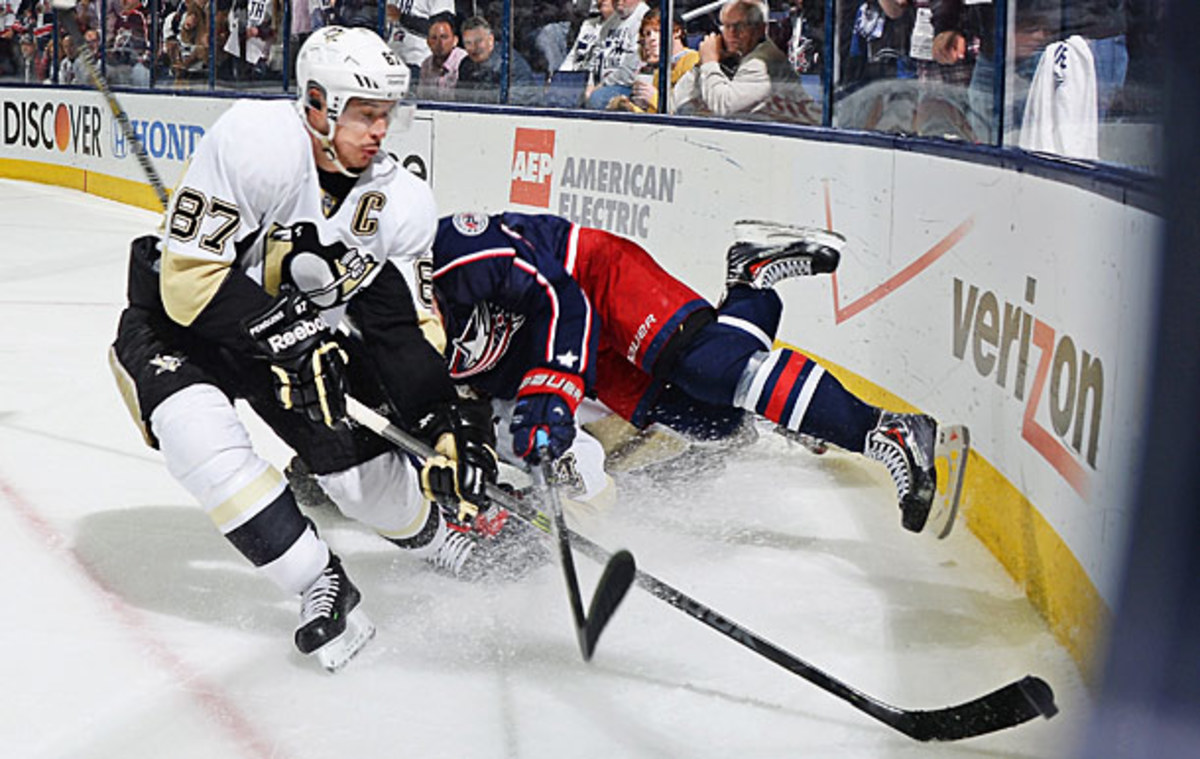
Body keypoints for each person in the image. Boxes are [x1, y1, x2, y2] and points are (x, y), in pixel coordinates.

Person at [107, 28, 535, 673]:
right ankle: (317, 582)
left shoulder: (397, 200)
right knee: (195, 434)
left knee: (367, 489)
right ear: (316, 103)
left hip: (299, 343)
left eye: (386, 115)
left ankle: (441, 536)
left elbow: (401, 329)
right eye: (365, 114)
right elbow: (189, 283)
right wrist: (296, 338)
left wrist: (446, 423)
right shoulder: (258, 143)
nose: (379, 131)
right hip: (183, 329)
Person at [430, 211, 962, 536]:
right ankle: (751, 279)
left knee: (712, 368)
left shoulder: (450, 251)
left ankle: (885, 429)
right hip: (569, 354)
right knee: (711, 422)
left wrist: (553, 387)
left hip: (590, 279)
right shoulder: (392, 342)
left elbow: (559, 297)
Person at [678, 0, 817, 123]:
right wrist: (700, 65)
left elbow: (724, 107)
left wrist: (709, 62)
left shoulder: (762, 62)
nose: (732, 33)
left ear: (761, 29)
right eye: (727, 26)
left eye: (740, 26)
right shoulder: (738, 58)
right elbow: (678, 101)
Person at [607, 7, 698, 113]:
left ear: (677, 32)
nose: (651, 38)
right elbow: (654, 116)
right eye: (647, 34)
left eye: (657, 31)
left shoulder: (693, 60)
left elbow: (685, 114)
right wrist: (629, 108)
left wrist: (655, 98)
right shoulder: (659, 69)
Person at [456, 15, 540, 105]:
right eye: (468, 43)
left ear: (491, 40)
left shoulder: (509, 63)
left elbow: (520, 101)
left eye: (479, 41)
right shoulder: (465, 65)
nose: (474, 47)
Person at [583, 0, 646, 109]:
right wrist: (590, 84)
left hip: (627, 87)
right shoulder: (612, 21)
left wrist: (603, 84)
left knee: (598, 98)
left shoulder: (643, 19)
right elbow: (595, 55)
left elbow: (631, 70)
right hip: (602, 84)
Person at [414, 11, 465, 100]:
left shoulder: (463, 61)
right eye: (434, 38)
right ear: (428, 42)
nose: (440, 43)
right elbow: (422, 99)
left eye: (444, 37)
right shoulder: (426, 65)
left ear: (455, 40)